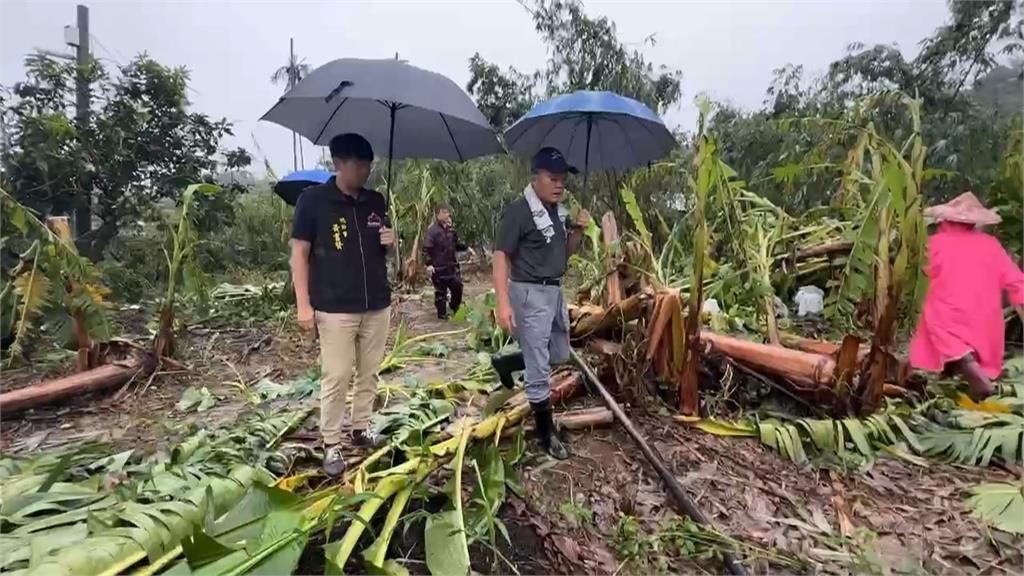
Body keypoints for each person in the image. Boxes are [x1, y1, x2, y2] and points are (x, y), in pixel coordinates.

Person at [290, 133, 395, 477]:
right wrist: (303, 305)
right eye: (359, 165)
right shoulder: (314, 201)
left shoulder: (376, 201)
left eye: (369, 165)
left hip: (376, 303)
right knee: (336, 376)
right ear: (338, 163)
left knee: (370, 371)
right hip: (335, 308)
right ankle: (332, 442)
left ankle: (361, 428)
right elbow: (299, 255)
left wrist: (390, 241)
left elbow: (382, 249)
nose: (365, 171)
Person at [493, 147, 590, 460]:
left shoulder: (554, 212)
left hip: (554, 291)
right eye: (553, 178)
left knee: (559, 353)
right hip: (529, 292)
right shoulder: (520, 211)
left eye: (563, 180)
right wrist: (503, 303)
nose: (559, 185)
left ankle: (508, 362)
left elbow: (565, 254)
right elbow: (500, 256)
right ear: (535, 177)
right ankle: (546, 435)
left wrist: (577, 230)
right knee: (540, 372)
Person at [909, 191, 1024, 400]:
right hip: (985, 318)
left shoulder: (934, 245)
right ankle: (957, 375)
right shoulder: (991, 245)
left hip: (949, 314)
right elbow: (1016, 281)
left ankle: (974, 376)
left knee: (937, 322)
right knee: (967, 341)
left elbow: (918, 275)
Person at [423, 206, 467, 320]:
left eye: (448, 213)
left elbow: (456, 245)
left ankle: (454, 306)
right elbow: (426, 249)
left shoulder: (451, 231)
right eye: (444, 212)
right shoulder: (432, 231)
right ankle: (442, 314)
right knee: (440, 292)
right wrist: (429, 264)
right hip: (438, 268)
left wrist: (467, 248)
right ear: (438, 215)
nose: (447, 215)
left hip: (451, 266)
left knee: (457, 286)